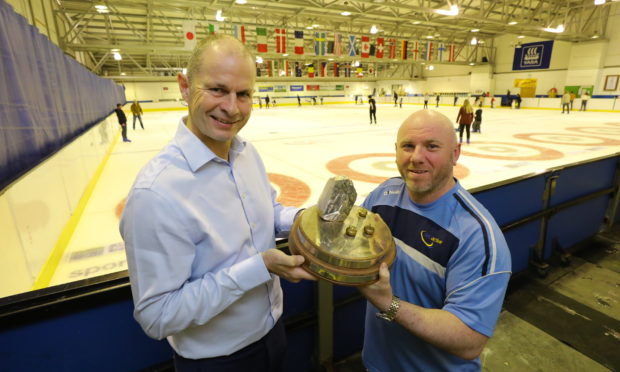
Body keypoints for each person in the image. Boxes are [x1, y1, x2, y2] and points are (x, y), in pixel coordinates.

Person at [120, 34, 315, 372]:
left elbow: (267, 212)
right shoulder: (156, 193)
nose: (232, 108)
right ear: (184, 86)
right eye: (217, 90)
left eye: (243, 94)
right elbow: (157, 315)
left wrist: (306, 219)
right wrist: (259, 267)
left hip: (274, 334)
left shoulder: (245, 153)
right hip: (216, 362)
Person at [358, 109, 511, 371]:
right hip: (376, 363)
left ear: (455, 153)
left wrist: (388, 303)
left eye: (431, 146)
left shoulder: (476, 235)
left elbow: (469, 339)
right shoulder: (383, 195)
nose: (417, 157)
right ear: (396, 150)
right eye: (408, 146)